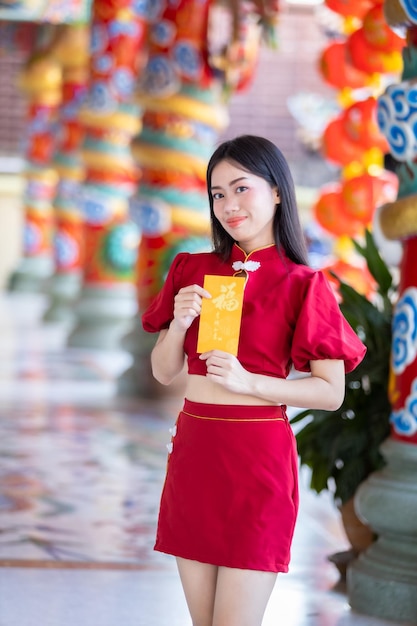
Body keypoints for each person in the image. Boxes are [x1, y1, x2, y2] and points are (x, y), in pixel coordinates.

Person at [142, 134, 366, 626]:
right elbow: (164, 372)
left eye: (241, 188)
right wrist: (178, 324)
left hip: (257, 460)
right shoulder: (190, 269)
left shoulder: (304, 285)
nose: (228, 205)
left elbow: (329, 392)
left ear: (278, 191)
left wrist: (251, 383)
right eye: (218, 194)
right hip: (195, 452)